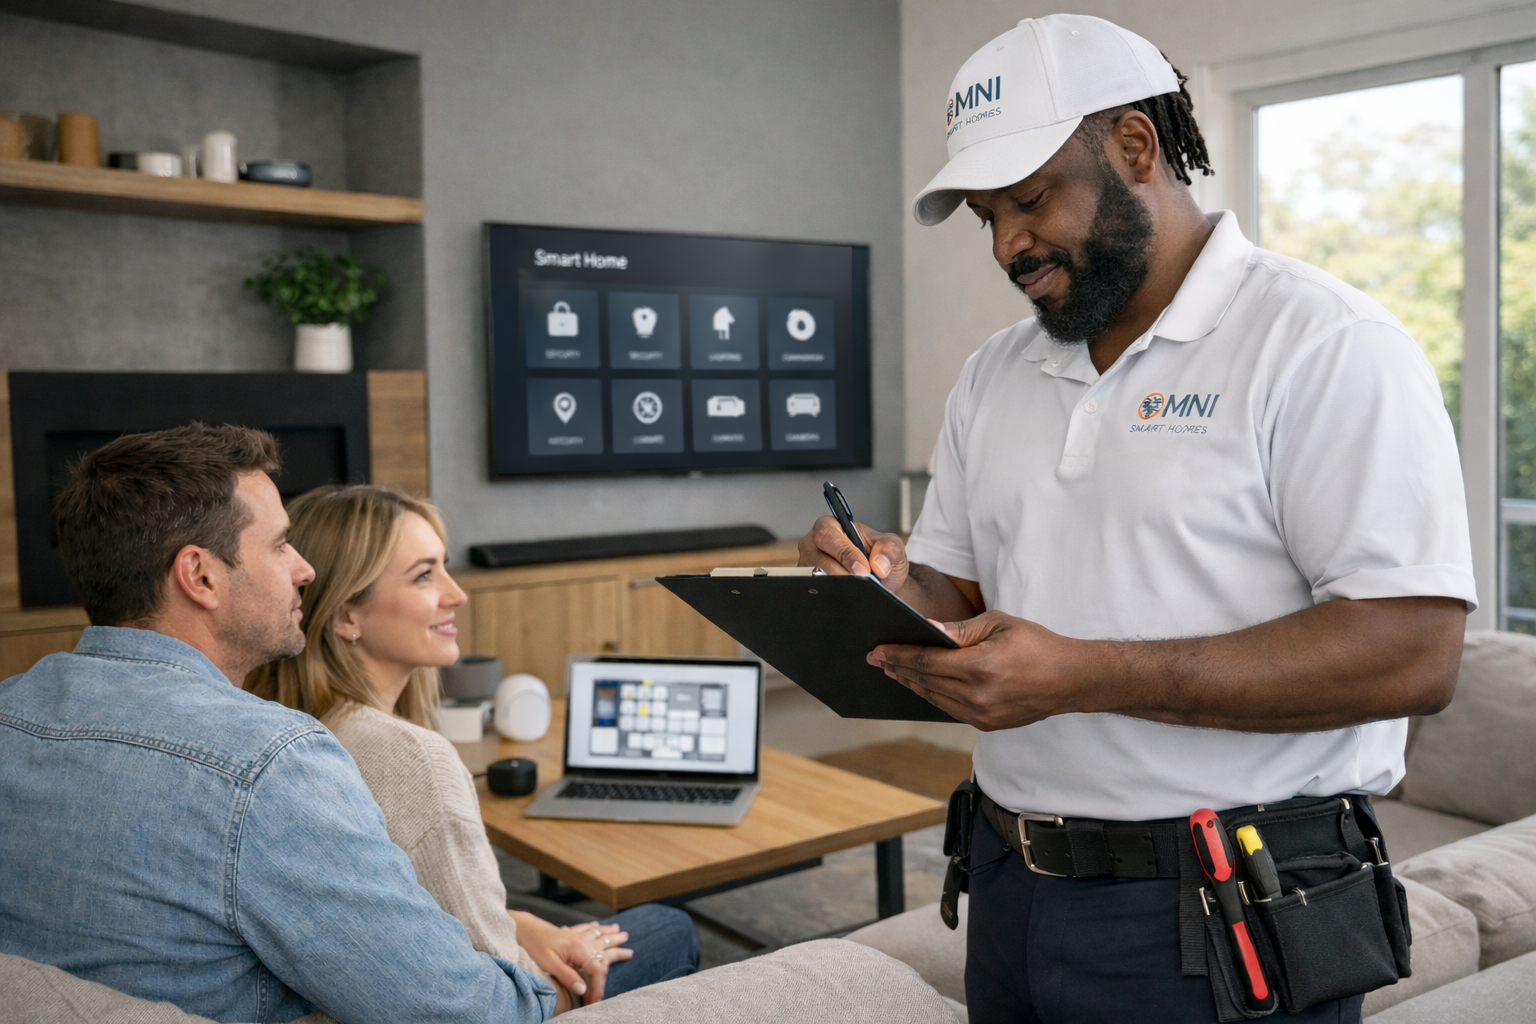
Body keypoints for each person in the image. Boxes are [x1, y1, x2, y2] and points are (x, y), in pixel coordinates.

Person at [800, 14, 1474, 1024]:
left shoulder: (1326, 344)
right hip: (1009, 876)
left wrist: (1083, 671)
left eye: (1030, 199)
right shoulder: (996, 372)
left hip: (1227, 899)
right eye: (988, 214)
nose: (1008, 242)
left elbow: (1413, 652)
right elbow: (957, 590)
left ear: (1134, 145)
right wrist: (883, 586)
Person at [0, 424, 557, 1023]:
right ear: (201, 576)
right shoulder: (267, 766)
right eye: (280, 545)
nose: (305, 570)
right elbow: (473, 1016)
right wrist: (549, 987)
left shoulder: (11, 711)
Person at [245, 484, 698, 1007]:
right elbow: (494, 987)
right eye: (424, 574)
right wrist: (570, 960)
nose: (457, 593)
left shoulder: (290, 731)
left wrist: (518, 920)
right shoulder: (412, 759)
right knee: (668, 925)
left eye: (445, 566)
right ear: (347, 614)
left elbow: (410, 915)